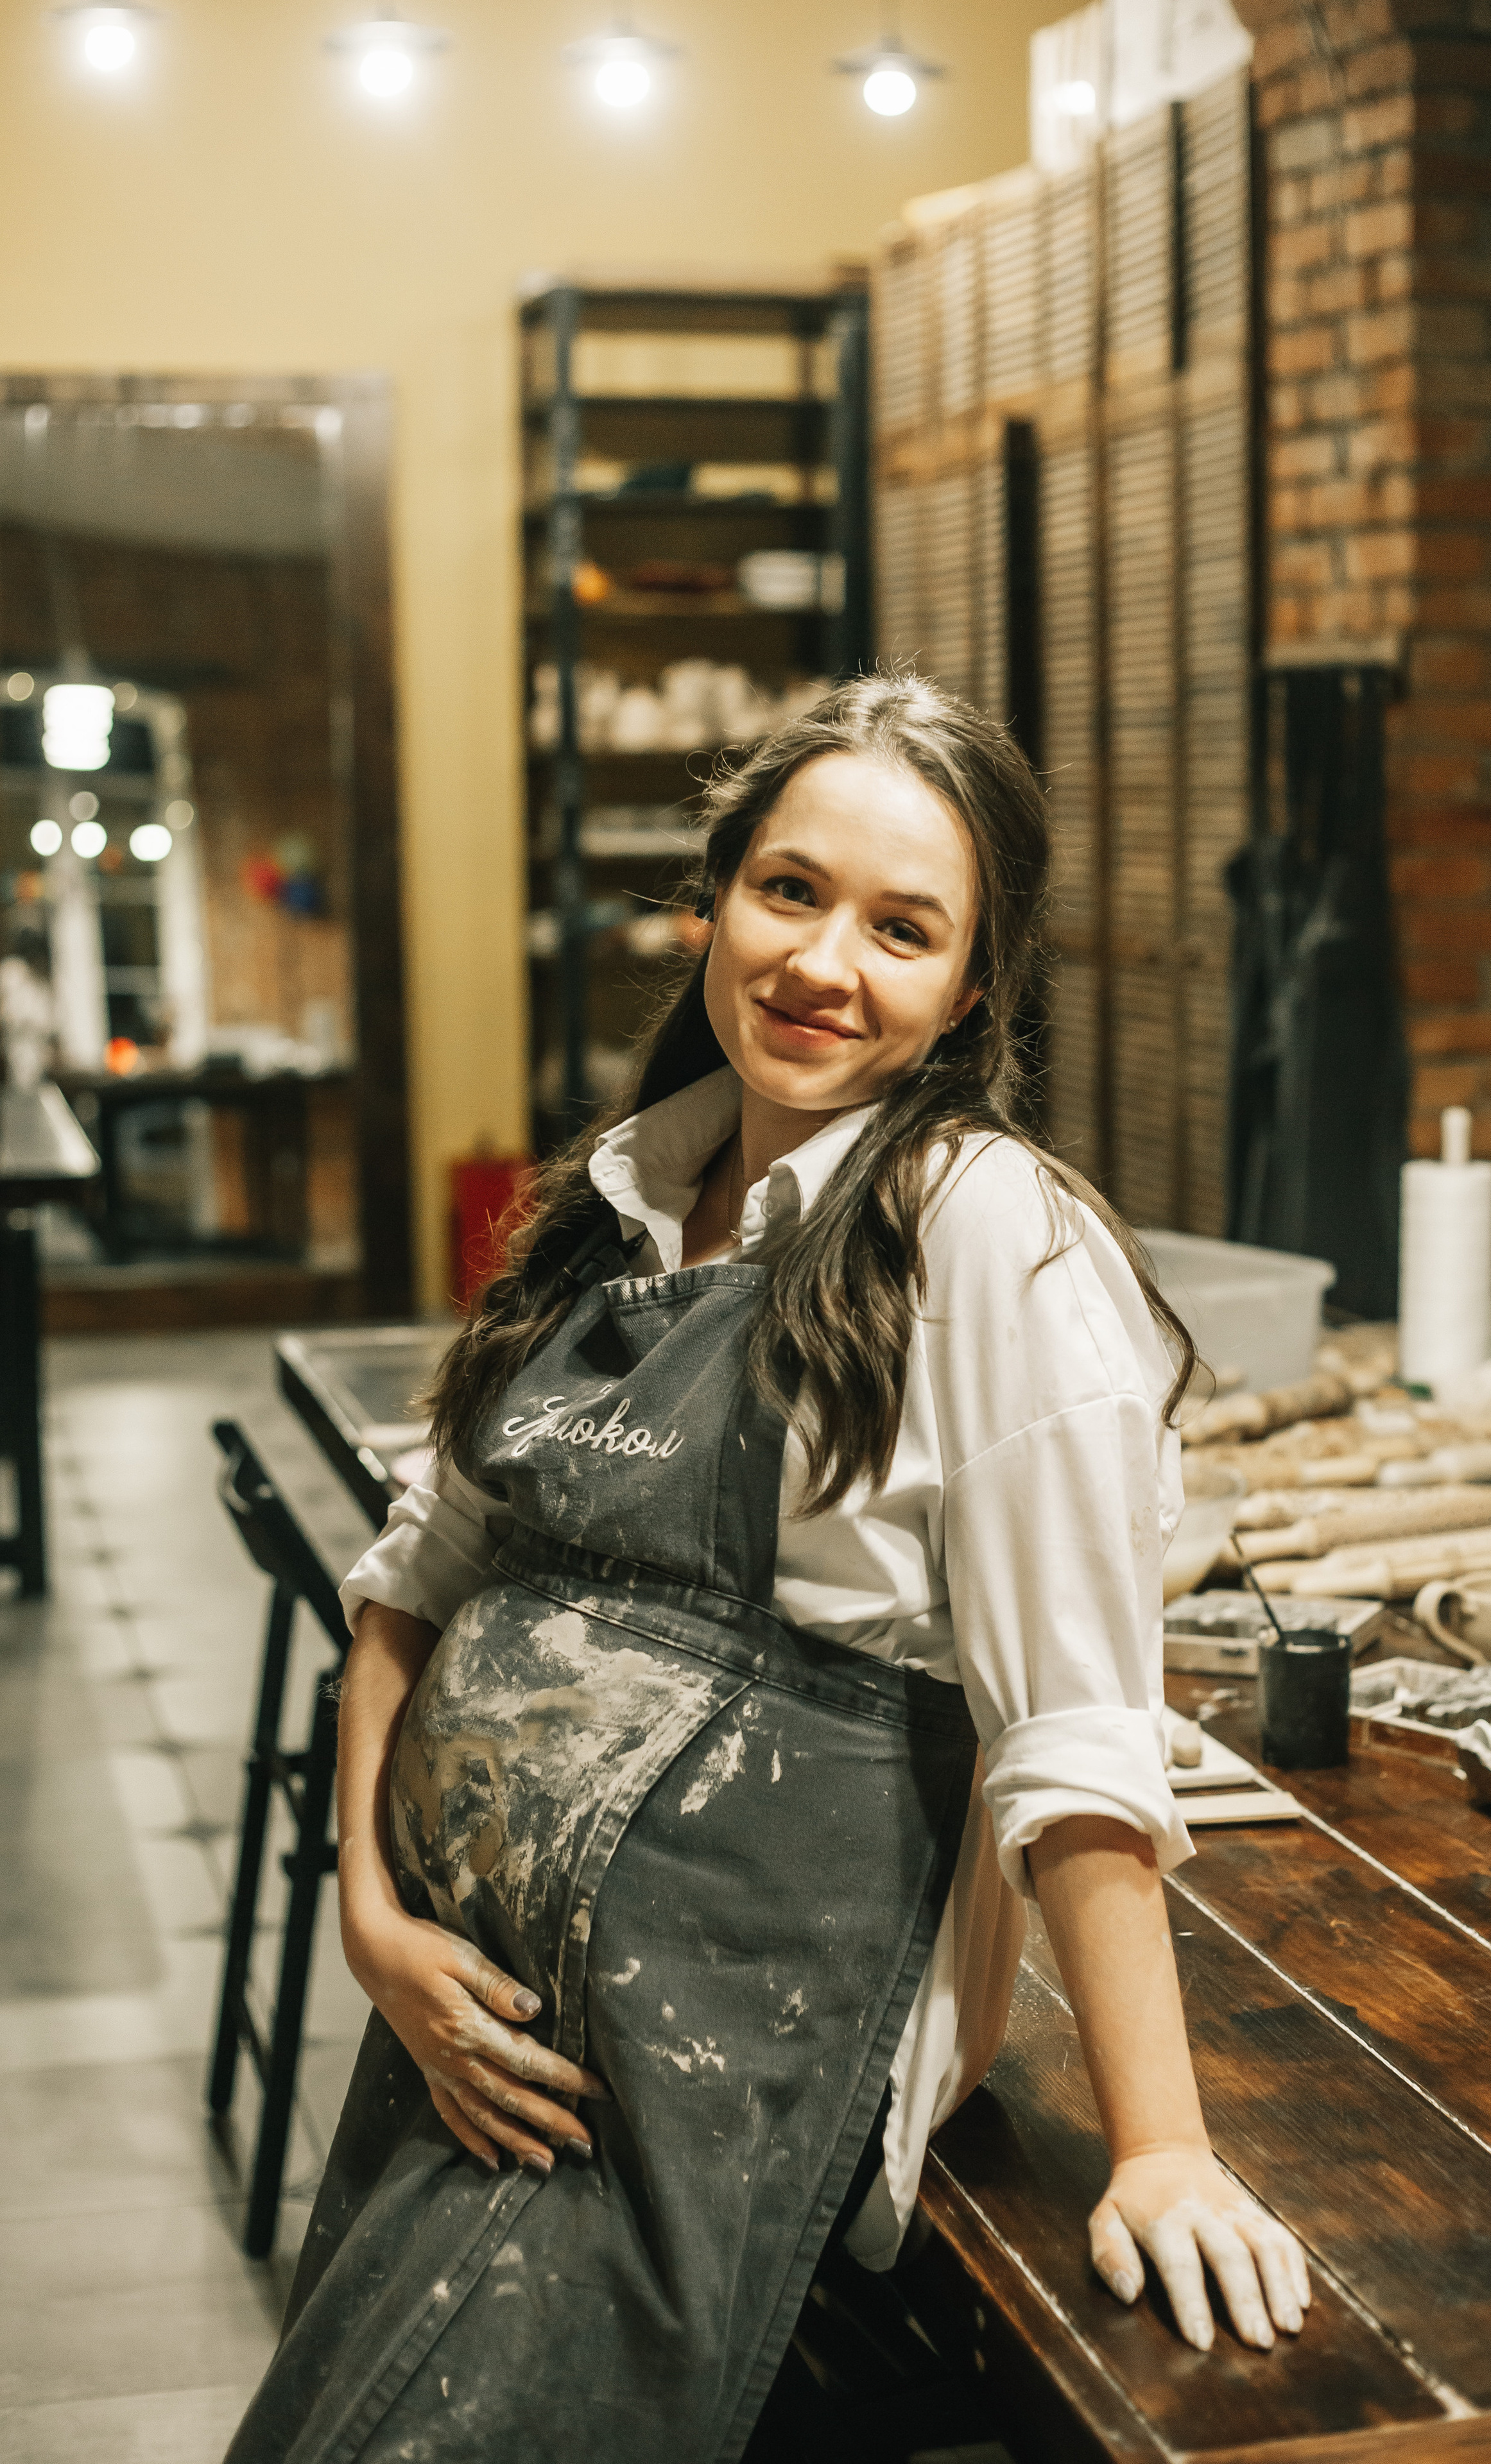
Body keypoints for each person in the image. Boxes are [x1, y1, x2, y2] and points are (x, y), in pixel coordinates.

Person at [227, 672, 1309, 2464]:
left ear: (972, 989)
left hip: (716, 2087)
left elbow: (1075, 1739)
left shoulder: (988, 1240)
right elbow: (420, 1574)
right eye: (791, 891)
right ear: (710, 898)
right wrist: (375, 1918)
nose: (825, 963)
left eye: (904, 929)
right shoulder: (616, 1202)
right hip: (459, 2035)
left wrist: (1165, 2146)